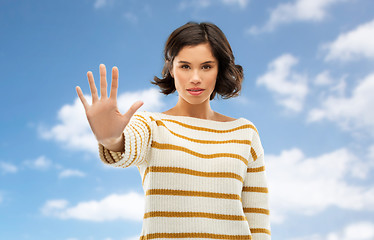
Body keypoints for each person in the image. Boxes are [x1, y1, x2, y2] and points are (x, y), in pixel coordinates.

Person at [76, 22, 271, 240]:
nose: (195, 77)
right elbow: (127, 144)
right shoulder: (151, 125)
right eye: (185, 66)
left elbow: (258, 223)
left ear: (220, 69)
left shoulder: (244, 133)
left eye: (206, 66)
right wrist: (111, 138)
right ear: (171, 69)